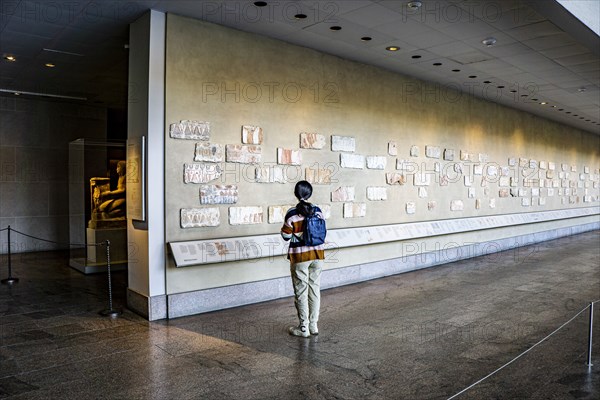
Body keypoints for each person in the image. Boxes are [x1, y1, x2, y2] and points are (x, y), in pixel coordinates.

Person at [280, 180, 326, 337]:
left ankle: (303, 328)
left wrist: (296, 233)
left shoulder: (292, 213)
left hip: (300, 257)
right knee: (314, 289)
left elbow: (286, 236)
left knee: (301, 291)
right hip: (318, 255)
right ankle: (314, 326)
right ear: (310, 193)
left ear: (296, 193)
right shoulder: (318, 211)